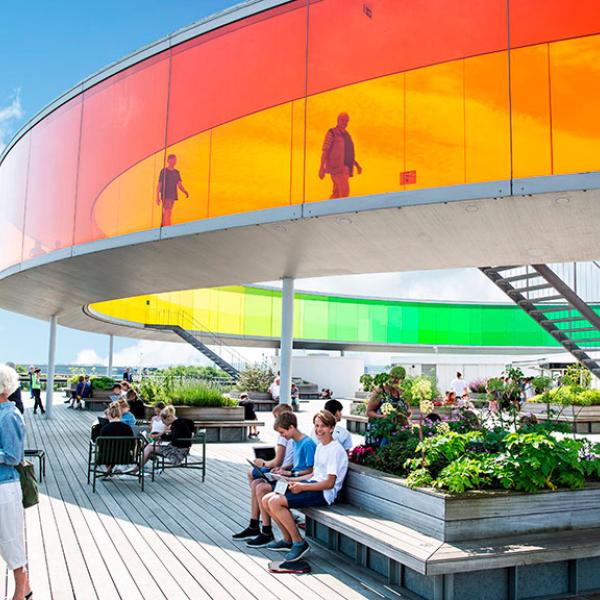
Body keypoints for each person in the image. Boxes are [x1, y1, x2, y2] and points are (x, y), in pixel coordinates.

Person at [261, 410, 349, 561]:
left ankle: (299, 543)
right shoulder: (321, 446)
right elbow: (313, 474)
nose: (319, 430)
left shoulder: (335, 450)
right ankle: (288, 540)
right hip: (313, 484)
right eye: (316, 426)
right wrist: (294, 480)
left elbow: (329, 483)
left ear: (331, 428)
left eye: (323, 426)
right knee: (266, 499)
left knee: (275, 502)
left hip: (324, 493)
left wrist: (303, 487)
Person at [245, 411, 316, 549]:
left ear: (291, 427)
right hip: (290, 477)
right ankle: (272, 532)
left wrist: (289, 473)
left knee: (261, 488)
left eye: (283, 432)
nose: (282, 436)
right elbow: (296, 464)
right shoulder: (295, 441)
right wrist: (282, 469)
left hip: (299, 482)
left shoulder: (307, 444)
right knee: (257, 483)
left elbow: (310, 470)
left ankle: (271, 533)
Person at [232, 403, 295, 541]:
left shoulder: (285, 437)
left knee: (257, 483)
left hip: (284, 477)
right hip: (282, 473)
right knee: (257, 485)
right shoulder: (291, 436)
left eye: (277, 418)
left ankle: (265, 530)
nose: (276, 423)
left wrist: (264, 463)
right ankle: (255, 525)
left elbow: (278, 462)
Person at [0, 364, 32, 600]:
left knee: (10, 541)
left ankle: (20, 592)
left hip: (4, 486)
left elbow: (13, 456)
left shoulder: (9, 415)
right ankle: (27, 589)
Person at [135, 405, 193, 471]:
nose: (164, 423)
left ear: (168, 417)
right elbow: (174, 437)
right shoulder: (179, 422)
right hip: (180, 448)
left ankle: (137, 468)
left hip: (178, 451)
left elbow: (174, 439)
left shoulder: (177, 424)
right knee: (150, 447)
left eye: (163, 421)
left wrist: (163, 439)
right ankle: (140, 467)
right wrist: (162, 438)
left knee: (149, 447)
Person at [319, 112, 362, 199]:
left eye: (346, 121)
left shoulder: (347, 136)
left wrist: (357, 165)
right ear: (338, 120)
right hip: (337, 169)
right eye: (343, 120)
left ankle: (328, 209)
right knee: (345, 192)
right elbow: (325, 150)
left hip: (346, 169)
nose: (345, 122)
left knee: (337, 194)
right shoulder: (332, 132)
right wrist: (321, 168)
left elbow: (348, 154)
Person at [365, 366, 410, 446]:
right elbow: (369, 412)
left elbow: (408, 411)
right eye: (393, 377)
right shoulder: (380, 391)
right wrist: (382, 417)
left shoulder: (402, 392)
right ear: (389, 376)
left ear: (402, 379)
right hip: (379, 432)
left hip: (396, 432)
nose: (395, 380)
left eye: (398, 379)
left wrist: (406, 413)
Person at [156, 154, 189, 227]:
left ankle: (164, 226)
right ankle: (167, 227)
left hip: (173, 195)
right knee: (168, 211)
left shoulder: (176, 172)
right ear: (168, 161)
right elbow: (159, 184)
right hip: (166, 194)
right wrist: (157, 197)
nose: (174, 161)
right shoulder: (164, 171)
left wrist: (185, 191)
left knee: (167, 211)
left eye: (175, 160)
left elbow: (179, 184)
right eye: (172, 160)